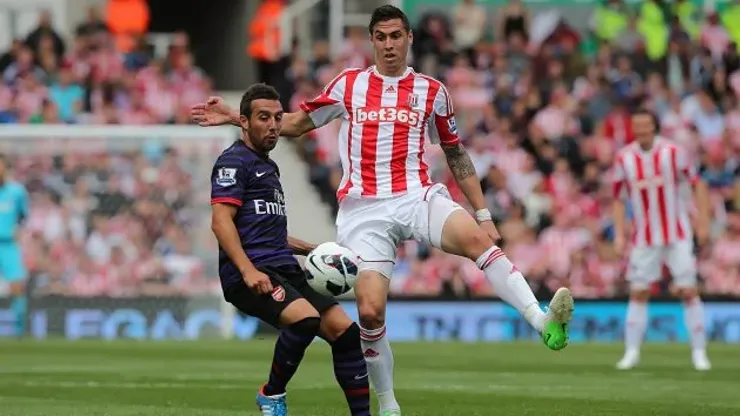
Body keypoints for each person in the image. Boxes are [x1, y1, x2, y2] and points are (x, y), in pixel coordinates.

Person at [193, 6, 574, 415]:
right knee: (371, 312)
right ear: (372, 40)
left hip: (416, 195)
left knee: (477, 240)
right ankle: (389, 406)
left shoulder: (432, 91)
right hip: (364, 211)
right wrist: (236, 118)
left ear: (409, 38)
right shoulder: (348, 85)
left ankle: (541, 321)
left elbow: (456, 153)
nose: (389, 44)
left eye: (396, 36)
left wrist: (482, 213)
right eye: (381, 37)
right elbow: (296, 123)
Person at [210, 84, 370, 415]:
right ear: (244, 122)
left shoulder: (269, 167)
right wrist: (247, 270)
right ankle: (271, 394)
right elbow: (221, 222)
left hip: (283, 267)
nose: (272, 125)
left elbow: (271, 234)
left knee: (346, 333)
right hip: (251, 271)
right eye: (263, 117)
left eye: (277, 118)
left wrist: (315, 249)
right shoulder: (233, 161)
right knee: (304, 321)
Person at [611, 108, 711, 371]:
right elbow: (618, 199)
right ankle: (631, 352)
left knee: (688, 290)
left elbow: (697, 184)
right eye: (637, 126)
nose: (642, 130)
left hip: (677, 233)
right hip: (644, 236)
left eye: (646, 125)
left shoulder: (673, 152)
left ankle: (699, 353)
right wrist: (619, 234)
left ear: (654, 127)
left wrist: (703, 223)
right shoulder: (624, 158)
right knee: (639, 291)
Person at [0, 155, 30, 337]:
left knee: (17, 286)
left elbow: (23, 216)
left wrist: (18, 230)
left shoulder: (16, 192)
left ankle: (19, 332)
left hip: (7, 244)